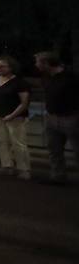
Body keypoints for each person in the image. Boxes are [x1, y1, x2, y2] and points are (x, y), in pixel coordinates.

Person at [34, 52, 79, 186]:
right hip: (52, 118)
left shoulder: (71, 78)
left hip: (70, 118)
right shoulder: (47, 77)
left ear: (46, 63)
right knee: (54, 150)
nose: (36, 65)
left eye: (38, 62)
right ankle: (58, 176)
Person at [0, 55, 32, 179]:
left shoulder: (20, 83)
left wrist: (12, 115)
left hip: (15, 117)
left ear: (11, 67)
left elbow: (24, 102)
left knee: (18, 143)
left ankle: (24, 168)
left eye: (2, 66)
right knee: (1, 141)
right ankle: (6, 165)